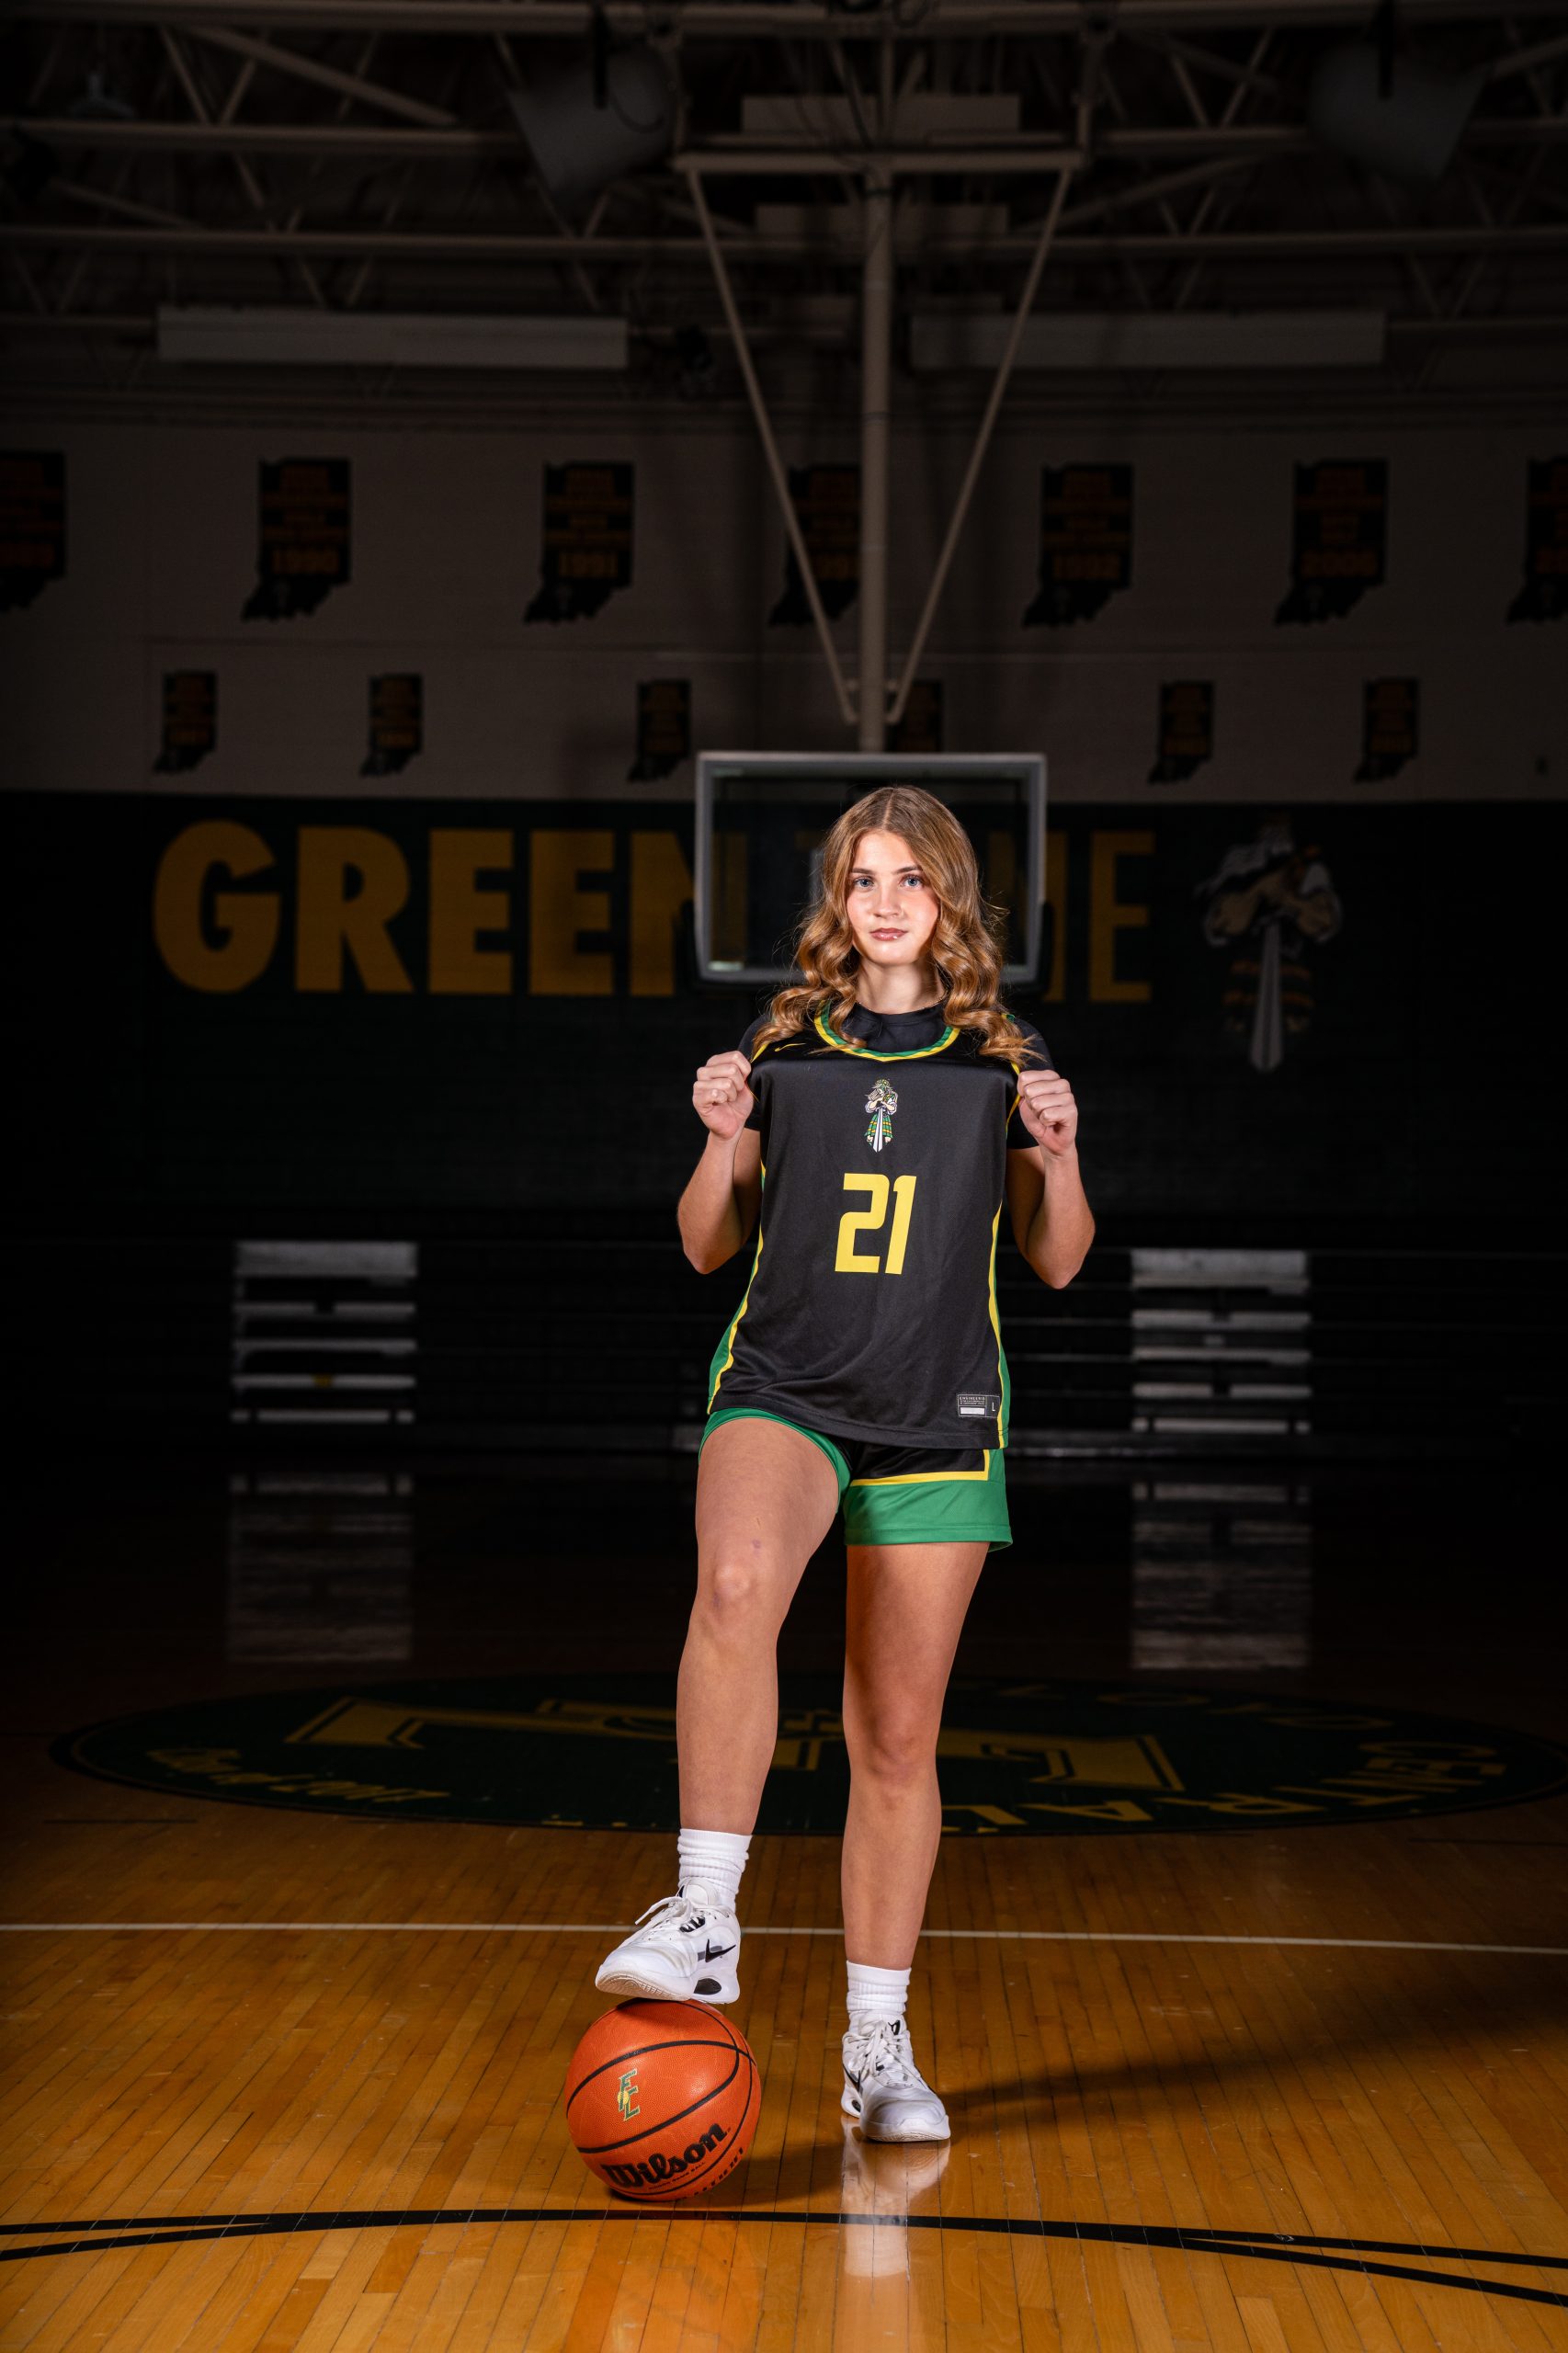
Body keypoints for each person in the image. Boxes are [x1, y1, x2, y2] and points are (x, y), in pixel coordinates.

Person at [595, 784, 1094, 2142]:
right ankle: (705, 1911)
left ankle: (877, 2045)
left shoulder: (1001, 1061)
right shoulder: (781, 1045)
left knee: (895, 1736)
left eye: (911, 878)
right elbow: (705, 1244)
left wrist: (1060, 1156)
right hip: (788, 1386)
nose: (885, 901)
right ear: (837, 898)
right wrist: (717, 1140)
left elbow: (1057, 1262)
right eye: (864, 878)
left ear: (949, 900)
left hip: (937, 1409)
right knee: (736, 1583)